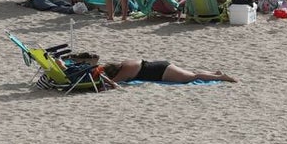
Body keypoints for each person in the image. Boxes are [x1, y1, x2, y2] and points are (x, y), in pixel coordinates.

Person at [101, 58, 235, 86]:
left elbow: (113, 83)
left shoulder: (124, 71)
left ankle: (222, 77)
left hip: (162, 72)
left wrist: (103, 79)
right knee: (190, 72)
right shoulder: (126, 62)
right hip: (160, 65)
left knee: (192, 77)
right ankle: (214, 72)